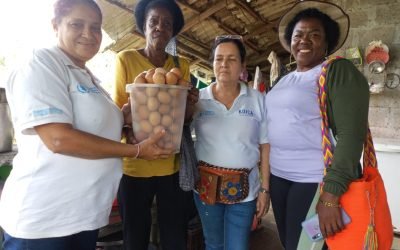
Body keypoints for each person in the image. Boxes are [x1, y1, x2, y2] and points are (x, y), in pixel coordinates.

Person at [0, 0, 173, 249]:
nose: (88, 34)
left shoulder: (87, 77)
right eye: (76, 24)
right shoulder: (42, 64)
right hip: (44, 221)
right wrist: (136, 151)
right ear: (55, 25)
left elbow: (93, 127)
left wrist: (123, 120)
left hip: (82, 217)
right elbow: (58, 138)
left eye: (95, 27)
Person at [265, 1, 369, 249]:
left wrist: (331, 195)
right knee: (290, 244)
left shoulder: (337, 71)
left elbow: (351, 135)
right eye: (298, 34)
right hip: (281, 179)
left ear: (327, 42)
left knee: (305, 246)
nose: (304, 40)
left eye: (315, 35)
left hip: (314, 182)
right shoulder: (284, 79)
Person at [112, 0, 198, 249]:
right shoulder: (125, 59)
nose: (160, 27)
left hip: (170, 166)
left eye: (167, 23)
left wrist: (190, 104)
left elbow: (184, 118)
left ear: (173, 30)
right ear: (143, 26)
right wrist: (132, 128)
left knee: (174, 235)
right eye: (154, 22)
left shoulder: (180, 66)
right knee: (135, 236)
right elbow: (119, 114)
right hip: (135, 166)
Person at [192, 35, 270, 250]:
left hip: (244, 191)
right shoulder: (197, 99)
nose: (224, 64)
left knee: (238, 246)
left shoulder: (257, 99)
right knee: (214, 244)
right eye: (218, 59)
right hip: (206, 187)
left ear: (243, 65)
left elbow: (265, 146)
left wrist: (265, 189)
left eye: (231, 59)